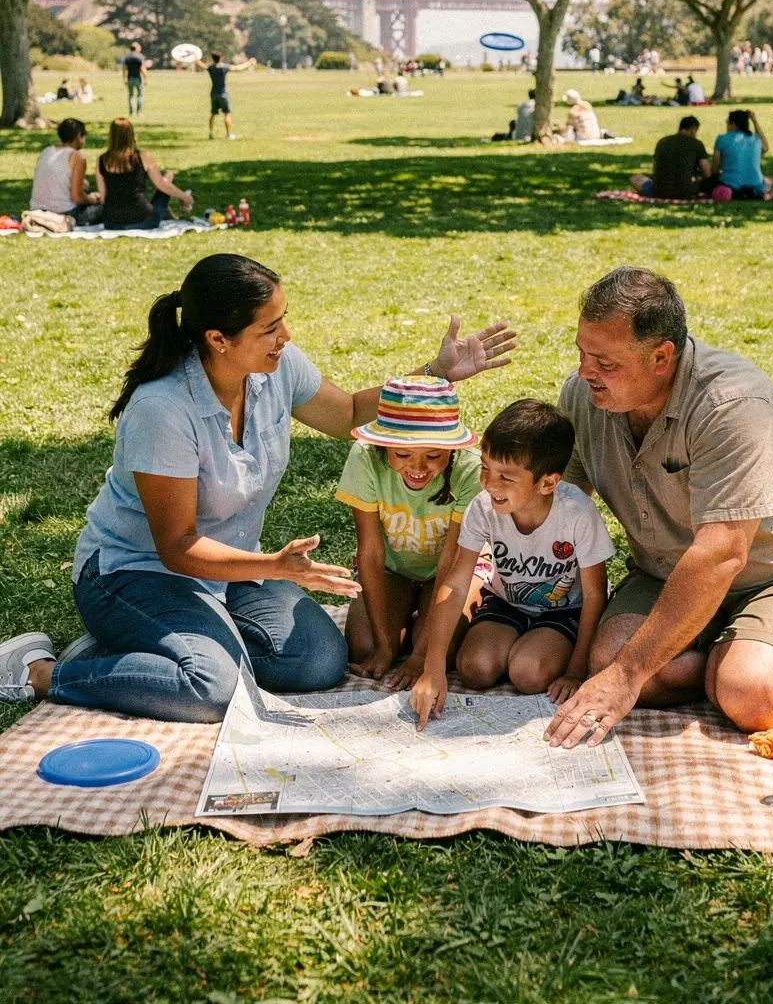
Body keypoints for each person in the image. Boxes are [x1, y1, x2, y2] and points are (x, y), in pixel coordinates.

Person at [0, 255, 516, 718]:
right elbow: (177, 548)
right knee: (214, 688)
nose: (285, 336)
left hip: (227, 571)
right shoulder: (162, 410)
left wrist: (434, 374)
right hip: (134, 572)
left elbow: (349, 415)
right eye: (270, 327)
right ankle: (41, 671)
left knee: (317, 662)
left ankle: (142, 643)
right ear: (219, 340)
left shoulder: (277, 368)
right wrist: (273, 566)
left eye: (283, 319)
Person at [543, 266, 773, 750]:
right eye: (582, 353)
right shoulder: (583, 397)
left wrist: (628, 676)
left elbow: (722, 554)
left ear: (661, 357)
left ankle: (740, 665)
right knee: (606, 658)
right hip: (665, 572)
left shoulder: (734, 406)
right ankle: (721, 659)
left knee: (752, 698)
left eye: (604, 362)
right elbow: (554, 503)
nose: (586, 372)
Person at [410, 400, 614, 729]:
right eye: (485, 467)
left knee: (528, 673)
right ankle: (511, 642)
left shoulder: (577, 513)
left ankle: (531, 647)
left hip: (561, 612)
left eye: (506, 477)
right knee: (474, 669)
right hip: (505, 604)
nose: (490, 483)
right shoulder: (482, 507)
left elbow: (594, 594)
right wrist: (432, 668)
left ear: (547, 483)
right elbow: (458, 581)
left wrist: (577, 669)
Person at [335, 375, 484, 687]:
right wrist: (383, 646)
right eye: (402, 455)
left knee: (438, 647)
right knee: (364, 647)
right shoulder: (364, 458)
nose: (418, 468)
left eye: (433, 456)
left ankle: (417, 627)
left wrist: (421, 657)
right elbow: (371, 554)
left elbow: (449, 562)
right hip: (394, 569)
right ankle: (403, 621)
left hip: (452, 571)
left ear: (452, 449)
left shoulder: (470, 468)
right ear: (384, 445)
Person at [96, 117, 193, 229]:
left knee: (166, 181)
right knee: (168, 177)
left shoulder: (102, 160)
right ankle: (184, 203)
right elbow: (162, 185)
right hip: (144, 221)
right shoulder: (143, 156)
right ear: (131, 134)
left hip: (111, 223)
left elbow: (103, 198)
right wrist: (186, 197)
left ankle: (175, 209)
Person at [30, 118, 102, 224]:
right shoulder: (76, 156)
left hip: (38, 211)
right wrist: (92, 199)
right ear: (78, 136)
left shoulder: (46, 151)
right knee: (106, 207)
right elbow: (77, 198)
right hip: (65, 214)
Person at [632, 116, 711, 199]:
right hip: (684, 193)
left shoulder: (663, 141)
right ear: (693, 129)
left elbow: (655, 168)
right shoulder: (697, 144)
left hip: (658, 192)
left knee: (635, 178)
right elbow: (707, 173)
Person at [711, 109, 768, 200]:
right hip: (757, 187)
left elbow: (715, 169)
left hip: (730, 186)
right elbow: (766, 148)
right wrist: (754, 121)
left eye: (727, 122)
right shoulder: (756, 139)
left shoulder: (722, 139)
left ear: (733, 123)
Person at [195, 50, 253, 139]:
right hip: (223, 94)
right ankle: (228, 134)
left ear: (213, 58)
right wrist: (249, 62)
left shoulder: (210, 67)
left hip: (213, 94)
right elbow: (238, 68)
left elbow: (202, 65)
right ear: (221, 58)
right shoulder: (224, 67)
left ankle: (210, 134)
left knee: (213, 114)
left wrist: (195, 58)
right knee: (227, 113)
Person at [122, 43, 148, 116]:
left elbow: (124, 69)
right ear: (136, 48)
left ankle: (131, 113)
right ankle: (139, 112)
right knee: (140, 95)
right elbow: (142, 69)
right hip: (138, 78)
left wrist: (124, 79)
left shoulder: (127, 57)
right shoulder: (140, 57)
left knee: (131, 96)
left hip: (130, 78)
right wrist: (145, 78)